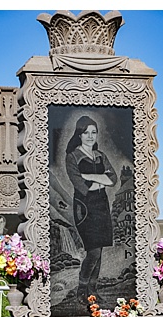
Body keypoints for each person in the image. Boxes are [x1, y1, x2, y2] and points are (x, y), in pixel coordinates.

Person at [65, 116, 117, 296]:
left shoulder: (101, 156)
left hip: (102, 207)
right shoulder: (73, 157)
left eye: (93, 132)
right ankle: (82, 290)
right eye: (86, 132)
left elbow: (113, 179)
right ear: (79, 134)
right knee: (93, 252)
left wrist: (90, 176)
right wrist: (99, 179)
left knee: (99, 251)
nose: (90, 136)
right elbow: (81, 186)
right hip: (84, 209)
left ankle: (92, 291)